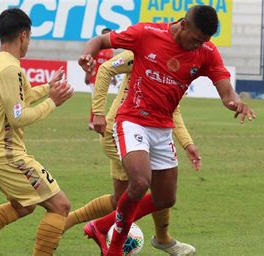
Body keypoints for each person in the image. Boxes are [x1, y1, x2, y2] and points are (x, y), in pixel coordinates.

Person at [78, 5, 256, 255]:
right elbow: (100, 40)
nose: (198, 46)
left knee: (165, 198)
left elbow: (226, 91)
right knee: (140, 182)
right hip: (132, 120)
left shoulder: (206, 51)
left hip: (162, 129)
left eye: (204, 41)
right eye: (195, 39)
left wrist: (234, 101)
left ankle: (101, 225)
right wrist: (87, 55)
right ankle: (115, 248)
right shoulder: (146, 34)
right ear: (183, 24)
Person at [0, 8, 74, 256]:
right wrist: (53, 102)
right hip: (7, 154)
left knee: (23, 206)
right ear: (23, 35)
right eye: (29, 38)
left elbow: (21, 97)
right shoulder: (10, 69)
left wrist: (48, 88)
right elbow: (18, 117)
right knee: (60, 206)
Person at [65, 50, 201, 256]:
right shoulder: (144, 49)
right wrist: (98, 112)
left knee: (122, 199)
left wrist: (187, 143)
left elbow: (173, 110)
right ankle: (159, 239)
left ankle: (69, 223)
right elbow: (106, 68)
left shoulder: (174, 67)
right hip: (119, 132)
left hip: (136, 132)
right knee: (158, 185)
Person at [85, 28, 114, 130]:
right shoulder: (97, 48)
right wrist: (87, 75)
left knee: (101, 100)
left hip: (105, 79)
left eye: (109, 34)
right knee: (95, 99)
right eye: (105, 35)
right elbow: (89, 62)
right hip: (94, 77)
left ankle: (96, 121)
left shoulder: (110, 51)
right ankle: (92, 122)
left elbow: (112, 65)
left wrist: (113, 78)